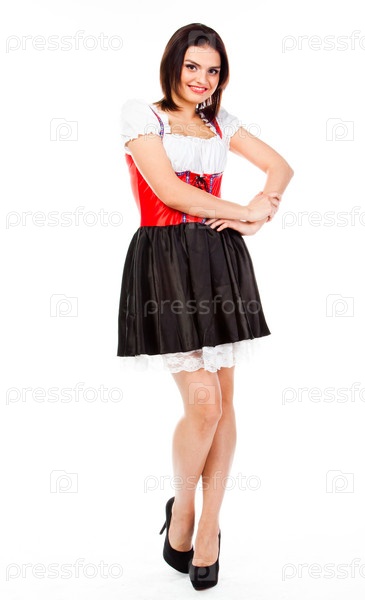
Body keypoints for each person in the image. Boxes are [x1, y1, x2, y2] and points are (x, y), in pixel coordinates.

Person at [118, 22, 294, 590]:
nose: (202, 79)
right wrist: (241, 211)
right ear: (173, 64)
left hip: (219, 262)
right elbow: (169, 191)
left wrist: (263, 209)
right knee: (205, 404)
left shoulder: (222, 123)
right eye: (192, 66)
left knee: (225, 401)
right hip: (166, 262)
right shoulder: (142, 116)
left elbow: (281, 167)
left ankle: (210, 527)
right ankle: (183, 510)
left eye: (213, 70)